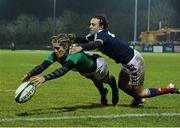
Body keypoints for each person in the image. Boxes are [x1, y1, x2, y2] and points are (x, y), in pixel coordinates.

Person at [68, 15, 180, 107]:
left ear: (101, 26)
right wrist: (71, 37)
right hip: (127, 62)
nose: (90, 26)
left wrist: (81, 47)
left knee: (140, 92)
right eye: (90, 24)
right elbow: (83, 39)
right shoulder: (95, 34)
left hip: (134, 63)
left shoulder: (102, 35)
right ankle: (138, 99)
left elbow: (97, 44)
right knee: (122, 85)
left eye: (93, 24)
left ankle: (169, 89)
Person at [22, 33, 119, 106]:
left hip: (98, 66)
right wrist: (29, 74)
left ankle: (114, 88)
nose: (55, 51)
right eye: (54, 48)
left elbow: (63, 70)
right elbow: (42, 66)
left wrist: (44, 78)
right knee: (94, 79)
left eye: (57, 48)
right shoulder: (55, 54)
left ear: (65, 47)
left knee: (105, 79)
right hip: (84, 70)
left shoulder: (74, 54)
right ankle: (103, 94)